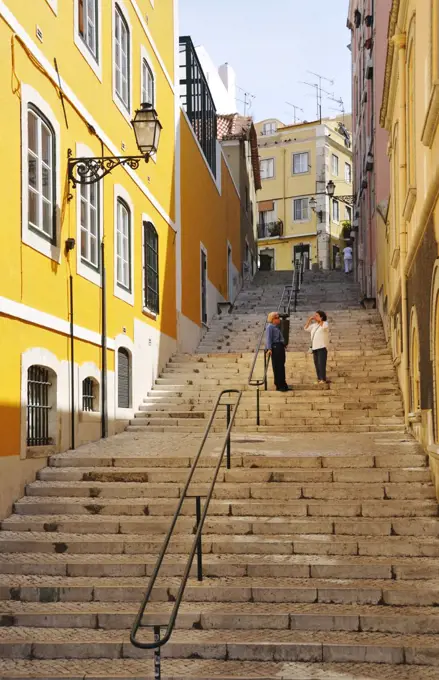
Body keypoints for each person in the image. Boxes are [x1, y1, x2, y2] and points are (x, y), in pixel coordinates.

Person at [266, 311, 290, 392]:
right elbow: (268, 338)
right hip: (275, 347)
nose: (279, 319)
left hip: (280, 346)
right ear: (273, 319)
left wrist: (283, 343)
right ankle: (279, 384)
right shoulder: (270, 327)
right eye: (277, 318)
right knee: (277, 366)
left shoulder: (276, 327)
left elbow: (280, 337)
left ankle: (283, 383)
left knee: (281, 366)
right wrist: (269, 348)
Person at [304, 310, 329, 384]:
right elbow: (305, 328)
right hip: (315, 348)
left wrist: (320, 320)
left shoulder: (325, 323)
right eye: (315, 315)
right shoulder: (314, 325)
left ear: (321, 317)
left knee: (321, 363)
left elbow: (324, 327)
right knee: (317, 363)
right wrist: (309, 320)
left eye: (317, 315)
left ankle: (323, 379)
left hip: (322, 347)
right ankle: (319, 378)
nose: (315, 317)